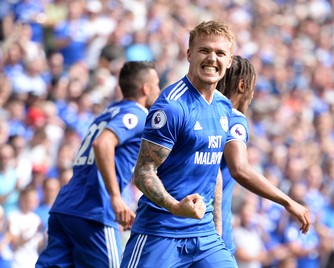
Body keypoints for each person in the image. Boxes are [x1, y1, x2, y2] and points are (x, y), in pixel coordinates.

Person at [121, 20, 237, 268]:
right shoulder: (172, 107)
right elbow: (143, 172)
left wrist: (216, 227)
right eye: (204, 50)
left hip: (204, 236)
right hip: (160, 232)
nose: (212, 58)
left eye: (219, 53)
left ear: (229, 60)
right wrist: (175, 207)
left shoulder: (224, 107)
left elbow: (212, 167)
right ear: (189, 54)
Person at [35, 61, 160, 267]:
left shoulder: (105, 113)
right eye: (156, 84)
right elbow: (102, 144)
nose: (159, 89)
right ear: (145, 88)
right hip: (94, 212)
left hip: (65, 207)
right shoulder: (137, 115)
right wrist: (116, 197)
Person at [217, 55, 310, 260]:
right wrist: (287, 202)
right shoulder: (235, 119)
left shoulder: (207, 113)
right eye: (253, 88)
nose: (252, 96)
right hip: (212, 231)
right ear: (242, 86)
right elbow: (240, 169)